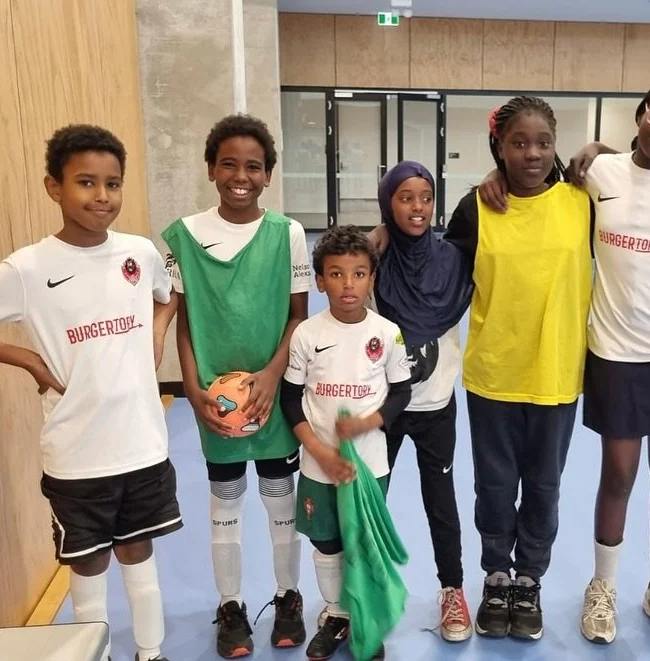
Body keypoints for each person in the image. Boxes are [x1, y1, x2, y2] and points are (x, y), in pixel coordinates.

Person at [477, 77, 650, 650]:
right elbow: (541, 177)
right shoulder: (599, 175)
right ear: (641, 114)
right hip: (616, 350)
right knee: (619, 475)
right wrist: (500, 173)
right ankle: (602, 586)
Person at [0, 124, 181, 661]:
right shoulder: (28, 268)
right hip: (78, 454)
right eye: (86, 182)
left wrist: (157, 329)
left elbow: (167, 297)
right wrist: (25, 357)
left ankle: (151, 653)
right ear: (54, 187)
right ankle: (90, 651)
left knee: (139, 553)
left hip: (143, 443)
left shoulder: (139, 253)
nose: (102, 196)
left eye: (113, 184)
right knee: (89, 563)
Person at [444, 96, 594, 642]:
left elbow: (629, 174)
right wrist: (387, 232)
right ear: (499, 148)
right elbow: (439, 273)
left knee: (544, 487)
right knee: (495, 485)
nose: (531, 153)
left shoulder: (583, 199)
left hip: (555, 373)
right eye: (518, 143)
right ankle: (496, 576)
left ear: (556, 148)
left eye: (543, 143)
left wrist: (596, 151)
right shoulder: (476, 208)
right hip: (494, 375)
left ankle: (529, 579)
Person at [162, 114, 311, 658]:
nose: (240, 175)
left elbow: (299, 316)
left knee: (280, 499)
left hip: (272, 394)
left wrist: (273, 374)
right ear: (211, 169)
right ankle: (230, 606)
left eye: (253, 165)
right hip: (214, 400)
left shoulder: (288, 234)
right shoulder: (184, 235)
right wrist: (192, 389)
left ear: (268, 174)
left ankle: (288, 597)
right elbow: (183, 322)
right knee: (224, 499)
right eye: (229, 163)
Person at [279, 225, 413, 661]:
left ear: (372, 278)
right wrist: (318, 451)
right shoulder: (306, 335)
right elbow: (289, 399)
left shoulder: (388, 333)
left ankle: (364, 619)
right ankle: (336, 615)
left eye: (358, 274)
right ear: (320, 281)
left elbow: (401, 392)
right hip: (318, 465)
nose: (348, 284)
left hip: (368, 466)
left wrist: (368, 423)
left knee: (360, 542)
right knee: (326, 541)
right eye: (336, 274)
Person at [367, 161, 474, 641]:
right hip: (381, 408)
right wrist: (374, 239)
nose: (417, 208)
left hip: (435, 406)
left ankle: (453, 590)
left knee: (441, 503)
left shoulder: (453, 259)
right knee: (371, 503)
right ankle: (365, 593)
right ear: (388, 203)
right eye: (405, 197)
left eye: (426, 198)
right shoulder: (372, 261)